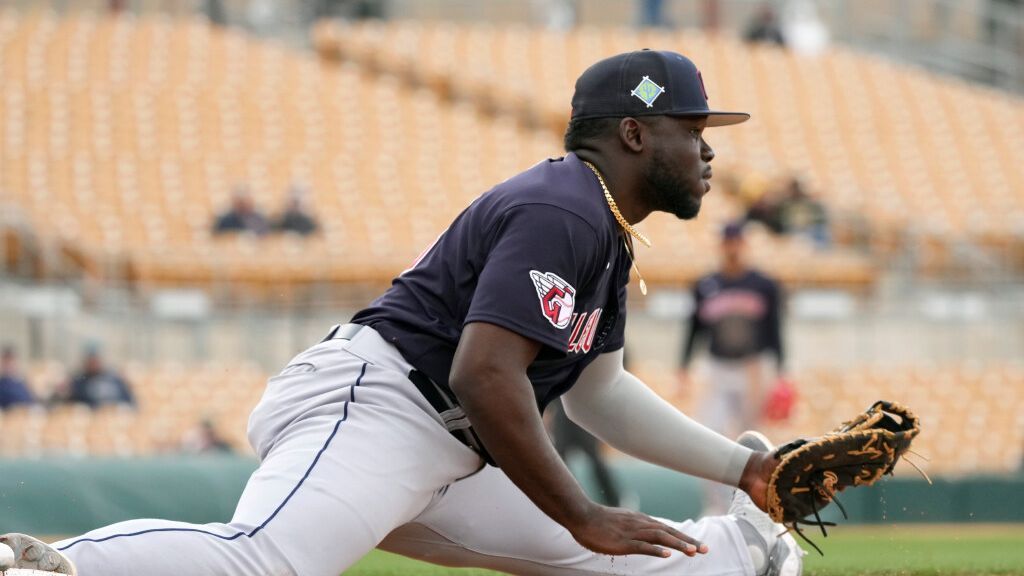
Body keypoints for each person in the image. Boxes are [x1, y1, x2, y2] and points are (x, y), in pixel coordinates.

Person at [1, 50, 803, 576]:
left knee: (598, 554)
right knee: (269, 560)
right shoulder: (567, 209)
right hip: (384, 404)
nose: (707, 149)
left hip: (445, 444)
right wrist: (581, 509)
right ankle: (35, 565)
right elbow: (485, 374)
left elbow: (598, 394)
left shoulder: (602, 229)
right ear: (633, 132)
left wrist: (745, 469)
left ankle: (745, 549)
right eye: (690, 127)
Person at [679, 222, 786, 439]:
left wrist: (781, 369)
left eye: (736, 242)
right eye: (728, 243)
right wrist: (684, 365)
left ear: (744, 244)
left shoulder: (764, 285)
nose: (732, 248)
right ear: (721, 246)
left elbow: (775, 327)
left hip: (752, 366)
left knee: (751, 433)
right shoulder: (705, 284)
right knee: (710, 428)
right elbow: (694, 328)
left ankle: (750, 473)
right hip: (717, 365)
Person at [55, 345, 136, 409]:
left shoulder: (114, 380)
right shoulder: (80, 381)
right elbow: (70, 403)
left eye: (95, 360)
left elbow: (130, 403)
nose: (93, 364)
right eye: (91, 360)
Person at [0, 345, 35, 410]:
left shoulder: (21, 383)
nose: (10, 364)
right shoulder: (2, 384)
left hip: (26, 415)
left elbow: (31, 401)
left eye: (12, 361)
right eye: (7, 361)